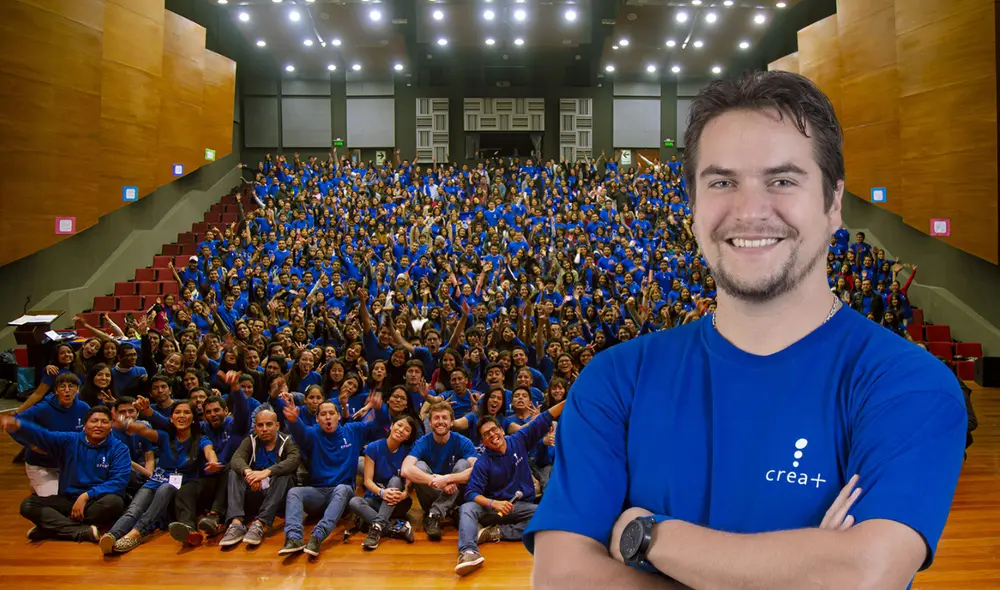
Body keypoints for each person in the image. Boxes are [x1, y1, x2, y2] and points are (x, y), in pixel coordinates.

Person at [526, 71, 966, 589]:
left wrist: (647, 537)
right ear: (692, 206)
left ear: (833, 204)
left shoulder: (906, 384)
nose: (750, 210)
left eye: (782, 180)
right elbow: (562, 578)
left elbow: (863, 573)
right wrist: (803, 568)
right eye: (722, 181)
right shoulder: (615, 380)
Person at [454, 399, 566, 576]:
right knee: (467, 507)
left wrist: (572, 397)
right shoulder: (483, 462)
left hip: (519, 506)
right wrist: (494, 503)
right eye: (486, 435)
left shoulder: (519, 439)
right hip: (493, 509)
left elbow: (545, 417)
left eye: (494, 430)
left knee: (547, 516)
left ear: (501, 429)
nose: (492, 435)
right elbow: (471, 492)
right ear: (483, 441)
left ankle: (496, 533)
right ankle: (468, 552)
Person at [100, 400, 224, 554]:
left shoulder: (200, 439)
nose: (182, 416)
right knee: (134, 508)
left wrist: (213, 461)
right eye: (178, 412)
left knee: (165, 489)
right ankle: (113, 535)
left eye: (186, 412)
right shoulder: (165, 436)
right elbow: (142, 430)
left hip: (178, 485)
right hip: (156, 480)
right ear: (171, 418)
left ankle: (137, 533)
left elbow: (209, 450)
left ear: (193, 419)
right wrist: (125, 422)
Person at [1, 407, 129, 543]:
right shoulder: (70, 440)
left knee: (115, 503)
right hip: (67, 500)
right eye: (94, 421)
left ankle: (51, 528)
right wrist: (20, 426)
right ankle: (79, 531)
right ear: (85, 426)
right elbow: (44, 436)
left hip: (97, 501)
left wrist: (86, 496)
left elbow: (119, 481)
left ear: (110, 427)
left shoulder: (119, 449)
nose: (98, 425)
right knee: (28, 505)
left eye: (104, 422)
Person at [277, 394, 380, 557]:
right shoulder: (312, 433)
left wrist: (379, 409)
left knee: (341, 489)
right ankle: (294, 537)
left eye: (331, 413)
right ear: (317, 419)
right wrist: (294, 421)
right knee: (294, 492)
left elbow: (379, 426)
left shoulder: (353, 430)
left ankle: (318, 536)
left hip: (343, 493)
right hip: (318, 493)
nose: (327, 417)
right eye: (323, 414)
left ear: (338, 416)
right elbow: (301, 433)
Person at [219, 408, 301, 548]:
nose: (264, 429)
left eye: (269, 424)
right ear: (255, 427)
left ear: (277, 425)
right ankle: (236, 523)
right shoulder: (250, 440)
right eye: (260, 425)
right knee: (234, 472)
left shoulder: (287, 441)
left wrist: (267, 472)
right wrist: (249, 473)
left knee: (284, 475)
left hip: (278, 496)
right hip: (255, 491)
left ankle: (260, 524)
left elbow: (294, 460)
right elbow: (236, 459)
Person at [401, 402, 478, 541]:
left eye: (444, 417)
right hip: (431, 496)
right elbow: (406, 469)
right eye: (436, 418)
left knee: (463, 464)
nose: (440, 421)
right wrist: (437, 482)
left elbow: (478, 471)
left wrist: (448, 479)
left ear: (452, 422)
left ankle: (434, 514)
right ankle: (451, 509)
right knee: (418, 465)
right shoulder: (422, 442)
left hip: (455, 493)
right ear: (430, 422)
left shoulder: (463, 442)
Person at [348, 414, 421, 550]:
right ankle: (392, 528)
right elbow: (368, 481)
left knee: (395, 479)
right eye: (399, 425)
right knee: (354, 502)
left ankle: (376, 528)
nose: (401, 430)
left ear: (408, 437)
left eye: (406, 430)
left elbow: (409, 484)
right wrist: (382, 492)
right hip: (377, 498)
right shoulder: (373, 448)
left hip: (399, 502)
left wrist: (404, 494)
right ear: (391, 426)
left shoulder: (408, 453)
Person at [17, 373, 91, 497]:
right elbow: (14, 424)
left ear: (77, 390)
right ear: (56, 390)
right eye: (62, 387)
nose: (67, 391)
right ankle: (39, 484)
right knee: (55, 499)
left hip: (69, 464)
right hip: (42, 465)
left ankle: (39, 486)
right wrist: (30, 445)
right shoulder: (42, 408)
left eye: (71, 386)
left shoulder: (83, 408)